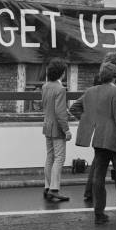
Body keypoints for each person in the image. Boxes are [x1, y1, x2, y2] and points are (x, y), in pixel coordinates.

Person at [70, 62, 116, 224]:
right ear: (115, 77)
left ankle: (99, 213)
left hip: (99, 139)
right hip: (115, 139)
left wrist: (91, 123)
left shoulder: (90, 91)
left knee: (98, 177)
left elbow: (74, 108)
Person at [83, 52, 116, 204]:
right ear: (115, 66)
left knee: (98, 165)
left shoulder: (97, 80)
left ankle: (90, 192)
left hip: (100, 128)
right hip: (115, 131)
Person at [41, 57, 72, 202]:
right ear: (62, 73)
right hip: (57, 128)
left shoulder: (45, 86)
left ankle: (47, 187)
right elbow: (60, 113)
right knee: (60, 158)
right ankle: (54, 189)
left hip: (47, 125)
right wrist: (66, 130)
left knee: (50, 157)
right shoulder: (60, 89)